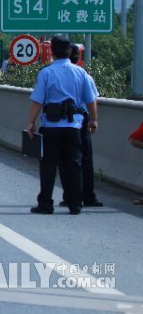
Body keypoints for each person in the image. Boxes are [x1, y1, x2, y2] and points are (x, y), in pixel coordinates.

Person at [26, 35, 98, 215]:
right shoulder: (81, 73)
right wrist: (94, 120)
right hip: (74, 126)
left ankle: (45, 203)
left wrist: (31, 122)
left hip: (51, 126)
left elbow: (37, 101)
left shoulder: (46, 73)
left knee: (49, 165)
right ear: (69, 52)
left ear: (52, 52)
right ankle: (75, 204)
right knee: (74, 165)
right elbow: (91, 100)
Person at [59, 44, 102, 208]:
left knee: (64, 160)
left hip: (59, 121)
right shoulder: (84, 75)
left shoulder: (52, 73)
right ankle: (88, 196)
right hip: (81, 120)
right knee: (85, 160)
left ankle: (69, 196)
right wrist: (94, 120)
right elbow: (92, 100)